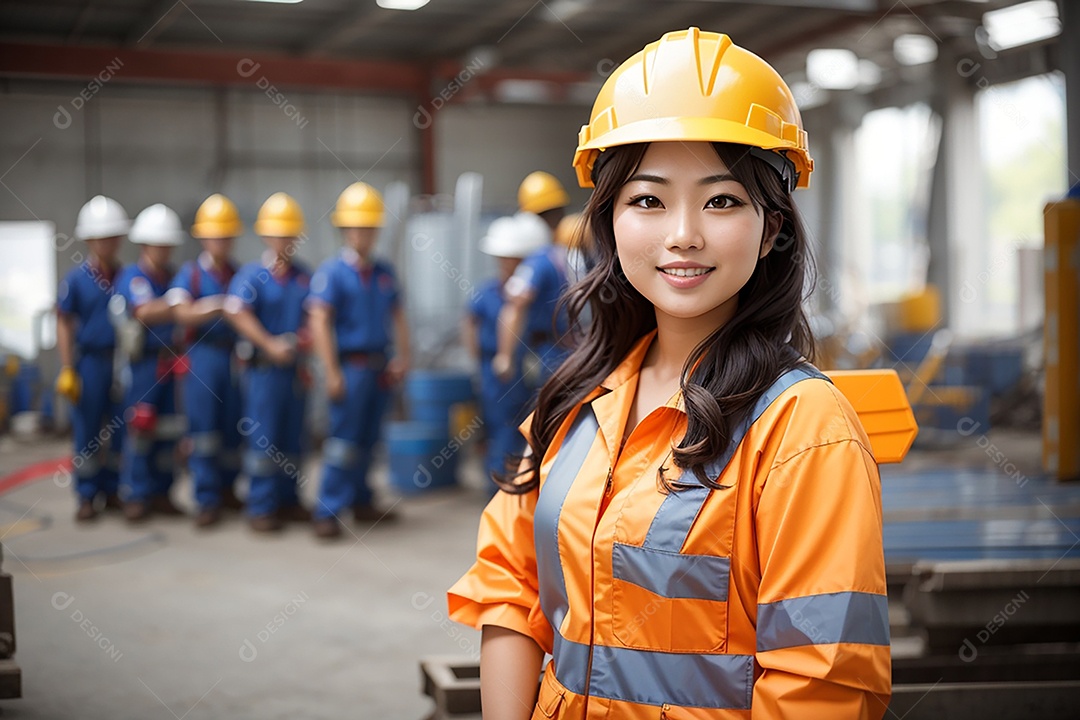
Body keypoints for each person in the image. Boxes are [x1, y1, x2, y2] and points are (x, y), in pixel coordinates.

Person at [448, 27, 891, 719]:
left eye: (721, 200)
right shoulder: (576, 399)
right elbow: (510, 584)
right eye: (648, 200)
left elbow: (822, 681)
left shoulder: (803, 428)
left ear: (771, 227)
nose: (683, 233)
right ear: (611, 220)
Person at [307, 182, 411, 540]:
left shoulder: (384, 272)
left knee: (369, 440)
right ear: (344, 230)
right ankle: (328, 510)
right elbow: (319, 320)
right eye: (355, 226)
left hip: (379, 367)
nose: (362, 234)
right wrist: (331, 372)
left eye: (368, 227)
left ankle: (362, 500)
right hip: (349, 368)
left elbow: (397, 316)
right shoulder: (332, 273)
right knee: (341, 443)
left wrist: (403, 357)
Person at [225, 192, 312, 533]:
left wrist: (301, 342)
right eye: (277, 232)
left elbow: (316, 316)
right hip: (263, 371)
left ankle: (289, 501)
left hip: (294, 371)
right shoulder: (251, 275)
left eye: (289, 233)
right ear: (264, 235)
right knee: (263, 439)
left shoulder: (304, 277)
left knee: (293, 438)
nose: (284, 239)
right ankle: (261, 505)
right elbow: (236, 312)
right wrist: (270, 344)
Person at [167, 194, 245, 528]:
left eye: (226, 235)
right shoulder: (191, 274)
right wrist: (216, 307)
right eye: (215, 235)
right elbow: (182, 313)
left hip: (232, 355)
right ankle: (206, 498)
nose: (221, 242)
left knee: (232, 428)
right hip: (202, 355)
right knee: (203, 431)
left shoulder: (239, 274)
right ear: (202, 237)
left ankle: (228, 489)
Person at [56, 195, 128, 522]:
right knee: (87, 430)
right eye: (100, 237)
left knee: (119, 429)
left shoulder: (127, 278)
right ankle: (86, 495)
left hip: (122, 362)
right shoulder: (75, 280)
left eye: (112, 236)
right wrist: (69, 368)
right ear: (88, 239)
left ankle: (112, 490)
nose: (106, 243)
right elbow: (64, 323)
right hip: (90, 363)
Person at [463, 214, 548, 489]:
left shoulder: (533, 291)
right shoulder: (486, 293)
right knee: (502, 431)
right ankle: (499, 490)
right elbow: (470, 326)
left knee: (529, 429)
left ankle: (523, 487)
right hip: (497, 372)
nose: (507, 263)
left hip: (529, 366)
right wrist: (486, 362)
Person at [114, 204, 186, 522]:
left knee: (169, 431)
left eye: (169, 244)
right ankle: (136, 494)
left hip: (170, 362)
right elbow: (143, 311)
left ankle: (162, 492)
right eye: (160, 244)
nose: (165, 250)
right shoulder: (133, 276)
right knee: (141, 430)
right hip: (143, 365)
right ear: (144, 244)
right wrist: (176, 303)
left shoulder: (173, 276)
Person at [492, 175, 573, 388]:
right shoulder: (572, 253)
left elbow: (516, 305)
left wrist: (504, 357)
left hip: (550, 354)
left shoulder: (537, 261)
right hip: (577, 349)